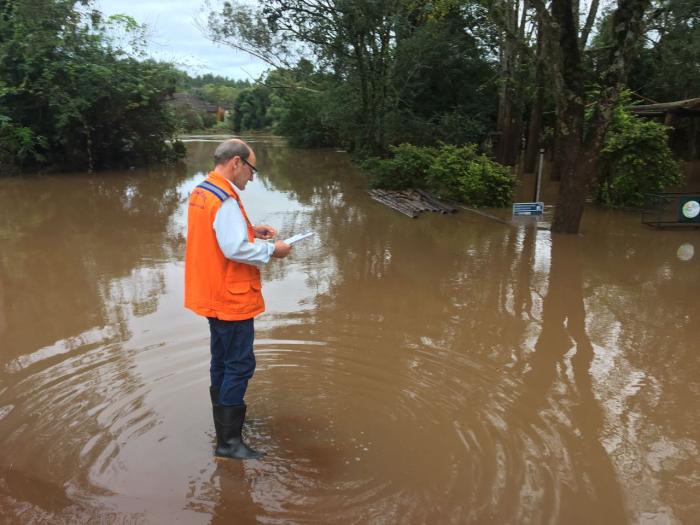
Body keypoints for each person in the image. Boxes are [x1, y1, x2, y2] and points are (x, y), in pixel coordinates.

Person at [185, 138, 291, 460]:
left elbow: (216, 235)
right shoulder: (226, 198)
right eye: (251, 169)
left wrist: (250, 230)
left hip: (211, 293)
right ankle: (229, 443)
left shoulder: (203, 191)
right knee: (240, 364)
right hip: (231, 298)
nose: (252, 177)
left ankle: (225, 430)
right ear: (236, 163)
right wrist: (274, 250)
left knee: (221, 361)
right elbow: (233, 249)